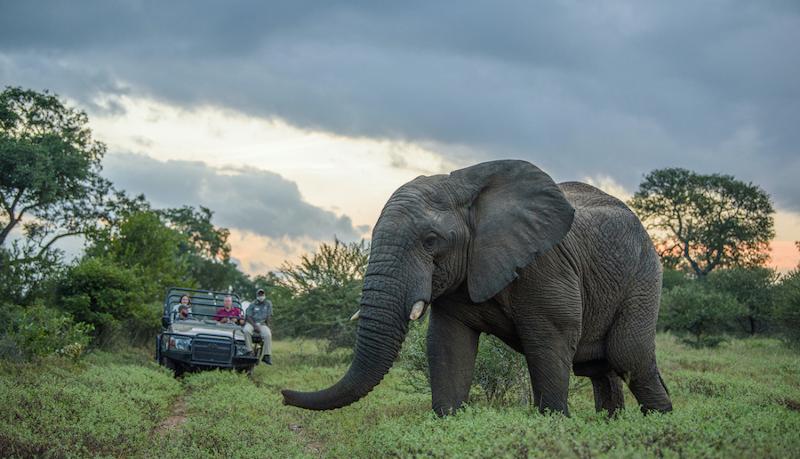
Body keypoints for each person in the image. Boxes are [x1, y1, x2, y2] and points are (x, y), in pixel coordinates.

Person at [244, 288, 273, 365]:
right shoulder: (252, 304)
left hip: (262, 324)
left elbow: (269, 317)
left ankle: (267, 355)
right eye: (259, 294)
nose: (261, 296)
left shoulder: (268, 304)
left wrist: (269, 327)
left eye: (262, 294)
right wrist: (254, 326)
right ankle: (249, 351)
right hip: (252, 323)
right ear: (257, 295)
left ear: (264, 295)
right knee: (246, 330)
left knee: (268, 334)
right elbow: (248, 316)